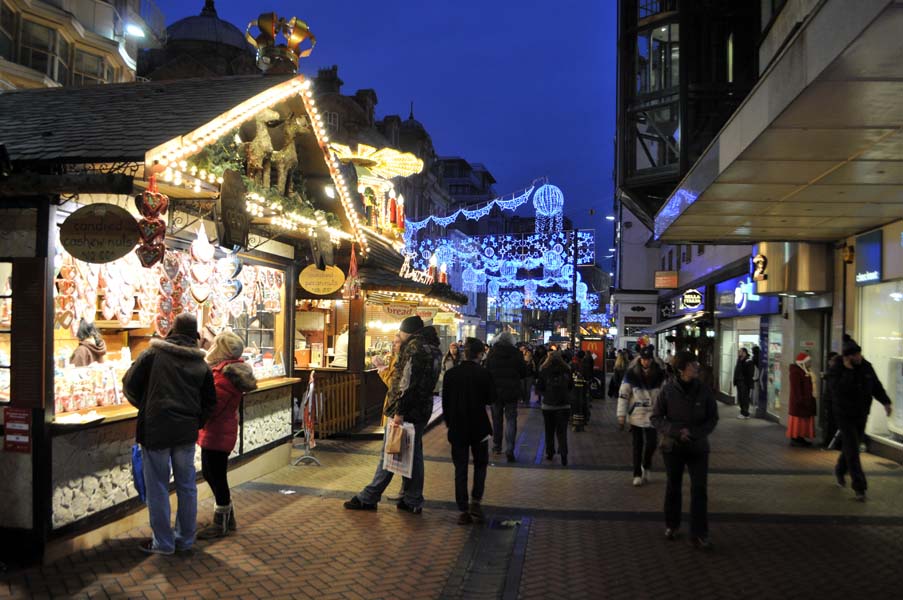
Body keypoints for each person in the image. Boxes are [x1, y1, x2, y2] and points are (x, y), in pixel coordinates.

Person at [122, 313, 216, 555]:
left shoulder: (153, 355)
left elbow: (129, 383)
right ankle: (185, 539)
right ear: (194, 335)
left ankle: (162, 543)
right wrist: (196, 421)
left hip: (156, 430)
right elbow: (210, 402)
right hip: (185, 433)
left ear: (172, 331)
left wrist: (146, 406)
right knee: (187, 486)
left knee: (158, 487)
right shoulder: (201, 364)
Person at [344, 316, 442, 514]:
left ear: (407, 332)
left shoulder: (413, 348)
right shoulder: (434, 348)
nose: (399, 336)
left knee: (389, 453)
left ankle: (369, 496)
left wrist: (399, 411)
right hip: (423, 408)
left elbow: (406, 383)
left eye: (401, 332)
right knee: (414, 455)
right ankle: (412, 499)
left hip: (406, 410)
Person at [651, 351, 719, 550]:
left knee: (699, 489)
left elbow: (712, 418)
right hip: (673, 447)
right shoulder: (668, 390)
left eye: (695, 364)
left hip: (697, 447)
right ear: (681, 369)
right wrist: (674, 431)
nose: (696, 367)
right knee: (674, 486)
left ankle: (699, 533)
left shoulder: (704, 390)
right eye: (691, 364)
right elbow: (656, 418)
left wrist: (695, 433)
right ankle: (672, 524)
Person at [196, 331, 257, 539]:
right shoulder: (229, 372)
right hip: (221, 431)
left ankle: (220, 520)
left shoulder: (224, 376)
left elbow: (213, 407)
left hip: (217, 432)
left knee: (215, 474)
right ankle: (227, 516)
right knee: (213, 473)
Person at [829, 335, 892, 501]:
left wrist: (886, 402)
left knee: (852, 447)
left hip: (861, 413)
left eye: (859, 354)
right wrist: (848, 371)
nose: (859, 357)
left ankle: (839, 470)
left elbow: (875, 386)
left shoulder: (866, 367)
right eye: (855, 355)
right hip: (844, 414)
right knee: (853, 449)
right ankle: (860, 487)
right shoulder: (837, 369)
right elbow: (838, 390)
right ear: (847, 357)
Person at [442, 337, 494, 525]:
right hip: (479, 427)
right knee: (480, 465)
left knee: (460, 468)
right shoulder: (484, 374)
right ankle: (476, 501)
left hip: (457, 427)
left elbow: (445, 403)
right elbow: (490, 399)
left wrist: (449, 423)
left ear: (465, 353)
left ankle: (463, 508)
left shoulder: (451, 375)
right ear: (480, 354)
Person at [618, 345, 666, 486]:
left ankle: (647, 465)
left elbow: (665, 395)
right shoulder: (631, 374)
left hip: (653, 414)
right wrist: (621, 415)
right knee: (637, 445)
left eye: (648, 359)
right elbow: (623, 395)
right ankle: (637, 473)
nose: (646, 362)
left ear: (652, 359)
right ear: (640, 359)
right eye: (644, 359)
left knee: (651, 444)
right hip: (636, 413)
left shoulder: (660, 374)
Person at [486, 331, 527, 462]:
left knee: (497, 420)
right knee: (511, 420)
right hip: (511, 391)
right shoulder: (516, 353)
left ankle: (497, 446)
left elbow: (486, 370)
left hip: (495, 392)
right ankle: (510, 448)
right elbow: (523, 372)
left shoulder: (492, 353)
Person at [538, 351, 572, 466]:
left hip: (548, 405)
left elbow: (539, 387)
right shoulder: (567, 369)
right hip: (564, 405)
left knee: (549, 430)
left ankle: (550, 452)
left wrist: (546, 395)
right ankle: (563, 453)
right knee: (562, 431)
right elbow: (571, 386)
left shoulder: (544, 370)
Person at [787, 352, 817, 447]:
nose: (810, 363)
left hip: (804, 401)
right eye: (809, 361)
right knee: (799, 421)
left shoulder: (805, 371)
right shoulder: (796, 373)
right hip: (800, 402)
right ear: (803, 362)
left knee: (803, 422)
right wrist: (802, 400)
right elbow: (797, 390)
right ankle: (796, 438)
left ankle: (800, 437)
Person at [820, 352, 840, 449]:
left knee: (832, 422)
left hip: (833, 401)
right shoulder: (833, 371)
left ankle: (830, 442)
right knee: (830, 422)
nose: (831, 362)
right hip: (830, 400)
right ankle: (830, 441)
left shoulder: (835, 372)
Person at [733, 348, 754, 419]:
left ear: (744, 352)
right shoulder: (739, 359)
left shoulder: (748, 360)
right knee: (741, 398)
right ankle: (744, 412)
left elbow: (750, 373)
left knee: (744, 398)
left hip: (744, 382)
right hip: (739, 381)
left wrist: (747, 382)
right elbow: (737, 370)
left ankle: (745, 413)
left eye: (740, 352)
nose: (739, 352)